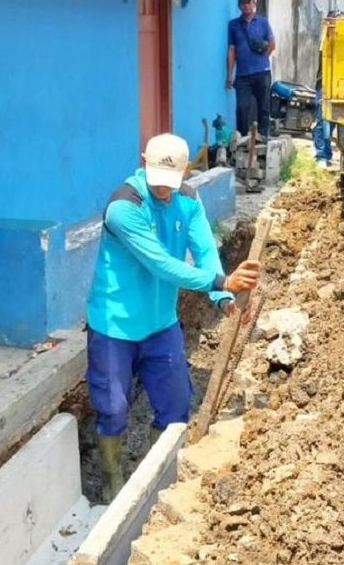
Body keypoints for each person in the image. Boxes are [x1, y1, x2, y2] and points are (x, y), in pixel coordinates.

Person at [86, 134, 260, 501]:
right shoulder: (124, 208)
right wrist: (219, 279)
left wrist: (223, 297)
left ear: (186, 171)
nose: (163, 188)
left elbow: (205, 251)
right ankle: (112, 479)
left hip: (161, 325)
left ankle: (154, 478)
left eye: (172, 179)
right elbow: (162, 264)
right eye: (157, 178)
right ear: (143, 159)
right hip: (114, 327)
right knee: (114, 409)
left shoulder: (189, 201)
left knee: (176, 406)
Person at [226, 0, 276, 139]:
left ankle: (263, 138)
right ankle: (241, 139)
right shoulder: (233, 25)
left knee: (264, 108)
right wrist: (229, 75)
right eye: (243, 3)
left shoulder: (263, 22)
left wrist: (261, 60)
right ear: (239, 6)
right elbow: (231, 50)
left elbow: (272, 45)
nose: (246, 6)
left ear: (254, 4)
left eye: (249, 2)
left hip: (262, 73)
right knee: (242, 108)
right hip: (242, 75)